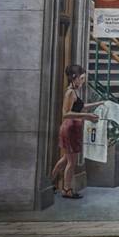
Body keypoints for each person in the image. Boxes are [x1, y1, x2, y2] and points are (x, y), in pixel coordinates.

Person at [50, 65, 101, 199]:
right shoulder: (70, 93)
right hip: (70, 129)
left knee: (65, 159)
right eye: (82, 78)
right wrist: (87, 116)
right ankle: (66, 190)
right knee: (71, 162)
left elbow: (80, 106)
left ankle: (50, 182)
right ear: (74, 77)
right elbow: (66, 114)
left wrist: (98, 104)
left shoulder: (74, 91)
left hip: (73, 128)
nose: (83, 81)